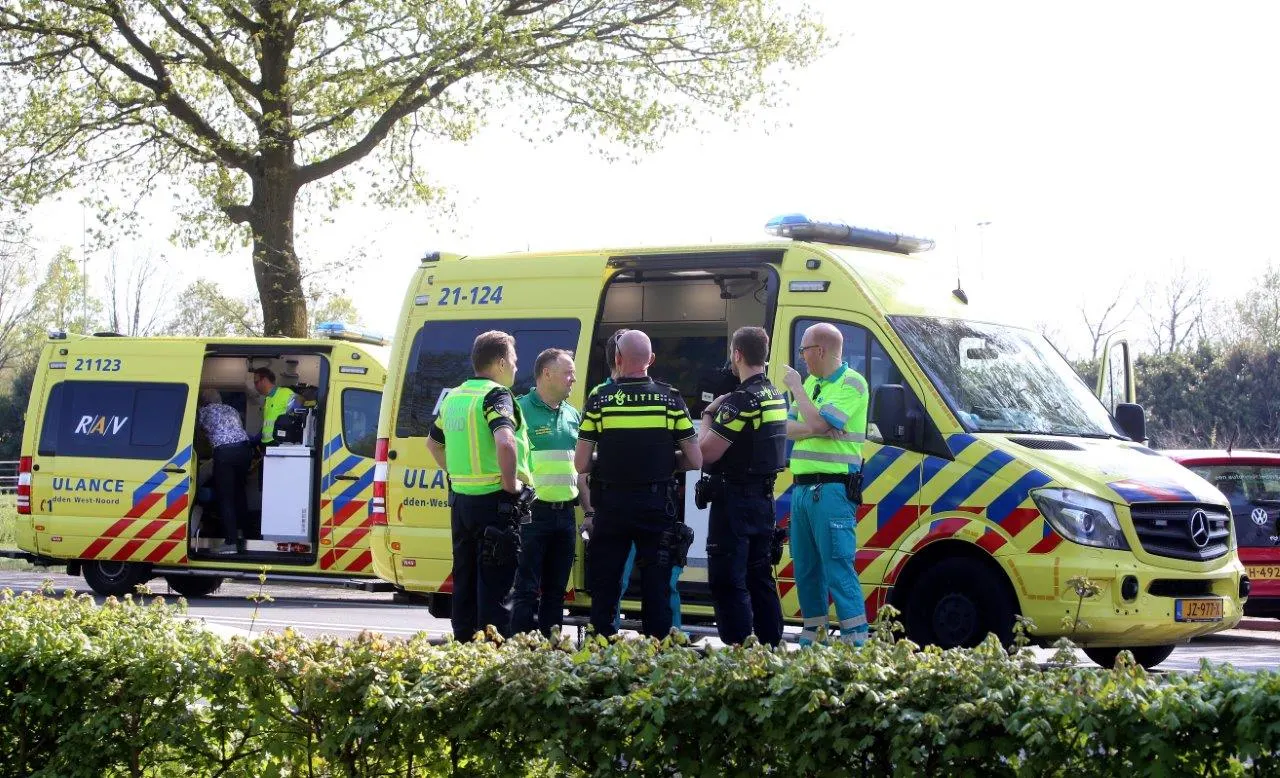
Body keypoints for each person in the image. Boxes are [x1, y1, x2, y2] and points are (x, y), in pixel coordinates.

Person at [575, 329, 702, 638]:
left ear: (617, 359)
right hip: (656, 507)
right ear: (652, 360)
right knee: (656, 588)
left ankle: (600, 656)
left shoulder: (599, 399)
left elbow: (580, 464)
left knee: (606, 585)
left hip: (611, 507)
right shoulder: (670, 399)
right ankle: (657, 654)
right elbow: (696, 459)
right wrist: (661, 462)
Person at [427, 330, 534, 640]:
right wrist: (511, 484)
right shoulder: (496, 395)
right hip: (495, 503)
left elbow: (432, 445)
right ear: (500, 363)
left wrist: (458, 473)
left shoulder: (455, 397)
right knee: (497, 586)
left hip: (462, 502)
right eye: (513, 360)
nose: (516, 366)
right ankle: (493, 655)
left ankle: (463, 646)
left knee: (465, 579)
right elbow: (505, 441)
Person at [697, 326, 787, 645]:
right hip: (763, 501)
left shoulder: (741, 401)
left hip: (734, 502)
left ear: (737, 355)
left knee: (727, 579)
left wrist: (709, 413)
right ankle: (770, 646)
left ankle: (739, 653)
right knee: (759, 578)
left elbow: (706, 453)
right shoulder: (775, 395)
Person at [783, 322, 870, 646]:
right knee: (806, 571)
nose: (802, 358)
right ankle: (813, 645)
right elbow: (787, 428)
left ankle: (856, 648)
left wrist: (800, 394)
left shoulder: (852, 383)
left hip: (832, 491)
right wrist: (817, 426)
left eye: (804, 350)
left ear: (819, 350)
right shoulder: (814, 383)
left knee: (837, 569)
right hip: (804, 490)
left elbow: (811, 420)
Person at [512, 348, 581, 637]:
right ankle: (520, 652)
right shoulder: (519, 409)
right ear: (546, 374)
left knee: (556, 593)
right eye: (568, 373)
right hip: (531, 515)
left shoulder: (572, 414)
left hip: (565, 514)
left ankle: (551, 653)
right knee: (526, 589)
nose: (573, 379)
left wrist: (588, 511)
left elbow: (581, 470)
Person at [196, 388, 252, 555]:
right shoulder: (231, 409)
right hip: (244, 451)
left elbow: (193, 433)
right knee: (239, 493)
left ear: (204, 401)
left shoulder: (204, 412)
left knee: (225, 498)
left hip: (225, 453)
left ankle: (231, 543)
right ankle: (244, 534)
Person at [251, 367, 296, 445]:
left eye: (256, 382)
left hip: (279, 443)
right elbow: (268, 424)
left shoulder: (286, 393)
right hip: (267, 443)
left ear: (264, 380)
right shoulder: (267, 399)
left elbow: (296, 418)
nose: (255, 386)